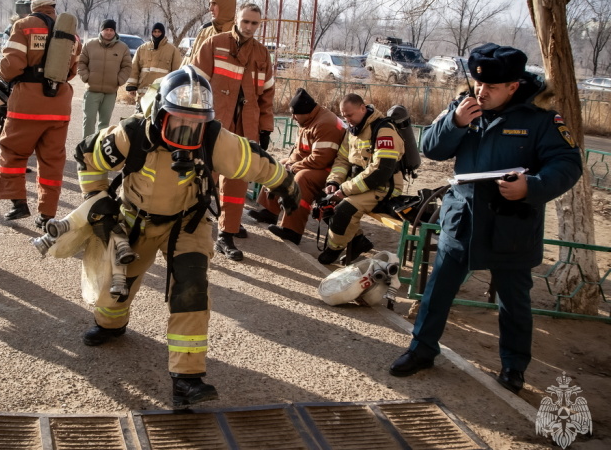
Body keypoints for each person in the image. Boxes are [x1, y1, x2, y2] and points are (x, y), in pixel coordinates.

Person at [74, 65, 300, 407]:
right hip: (136, 223)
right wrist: (99, 201)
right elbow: (86, 155)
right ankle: (110, 325)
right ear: (161, 114)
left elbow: (254, 160)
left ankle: (187, 379)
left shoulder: (212, 138)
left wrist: (284, 182)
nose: (186, 132)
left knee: (191, 290)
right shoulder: (132, 133)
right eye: (178, 122)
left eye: (195, 125)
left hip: (188, 224)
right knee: (115, 290)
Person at [389, 43, 582, 394]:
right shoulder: (464, 105)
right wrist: (456, 122)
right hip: (462, 219)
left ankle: (513, 369)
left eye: (492, 87)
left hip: (513, 223)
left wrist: (531, 187)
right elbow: (431, 147)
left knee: (513, 305)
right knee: (437, 293)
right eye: (479, 84)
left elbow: (568, 164)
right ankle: (421, 350)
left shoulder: (540, 117)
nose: (482, 92)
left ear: (514, 85)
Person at [191, 3, 275, 261]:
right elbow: (195, 83)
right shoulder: (214, 44)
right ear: (237, 19)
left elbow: (267, 96)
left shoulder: (262, 54)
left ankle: (225, 235)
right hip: (214, 123)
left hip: (245, 127)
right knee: (205, 176)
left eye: (255, 23)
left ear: (260, 24)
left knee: (238, 181)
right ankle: (191, 228)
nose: (249, 27)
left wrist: (265, 129)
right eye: (246, 21)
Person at [0, 0, 81, 227]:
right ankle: (47, 214)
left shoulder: (24, 26)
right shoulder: (71, 34)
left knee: (12, 152)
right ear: (53, 3)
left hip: (26, 105)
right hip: (59, 107)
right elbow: (72, 70)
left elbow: (11, 67)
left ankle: (18, 203)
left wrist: (2, 76)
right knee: (52, 161)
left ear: (33, 1)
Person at [248, 87, 344, 245]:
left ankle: (292, 231)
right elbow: (300, 151)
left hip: (331, 170)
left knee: (302, 179)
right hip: (315, 164)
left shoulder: (325, 124)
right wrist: (289, 163)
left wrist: (293, 167)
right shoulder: (309, 119)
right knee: (277, 166)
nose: (292, 118)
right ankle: (269, 211)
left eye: (295, 114)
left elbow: (321, 159)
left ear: (306, 112)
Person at [317, 94, 405, 265]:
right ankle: (358, 242)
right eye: (344, 116)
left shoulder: (384, 130)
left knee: (344, 209)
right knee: (325, 202)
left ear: (363, 108)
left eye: (350, 115)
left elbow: (380, 171)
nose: (347, 120)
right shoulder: (353, 131)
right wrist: (333, 182)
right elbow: (342, 160)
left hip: (384, 187)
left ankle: (334, 249)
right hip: (360, 185)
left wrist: (345, 190)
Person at [77, 19, 132, 138]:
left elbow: (127, 66)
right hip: (92, 90)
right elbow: (81, 62)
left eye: (111, 30)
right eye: (106, 29)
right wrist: (86, 77)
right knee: (89, 120)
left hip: (110, 92)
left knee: (104, 124)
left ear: (114, 32)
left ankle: (99, 148)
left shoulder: (122, 48)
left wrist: (119, 80)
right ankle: (86, 148)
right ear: (101, 30)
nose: (109, 32)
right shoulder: (89, 44)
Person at [125, 22, 182, 113]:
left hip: (161, 93)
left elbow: (177, 71)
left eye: (159, 32)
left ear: (163, 33)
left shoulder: (172, 50)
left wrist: (175, 91)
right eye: (154, 31)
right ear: (151, 32)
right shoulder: (142, 48)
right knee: (139, 119)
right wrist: (131, 86)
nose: (157, 34)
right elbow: (134, 68)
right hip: (143, 93)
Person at [183, 0, 237, 66]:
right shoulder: (204, 33)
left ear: (225, 7)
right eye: (210, 4)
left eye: (214, 4)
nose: (210, 9)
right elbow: (187, 63)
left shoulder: (238, 38)